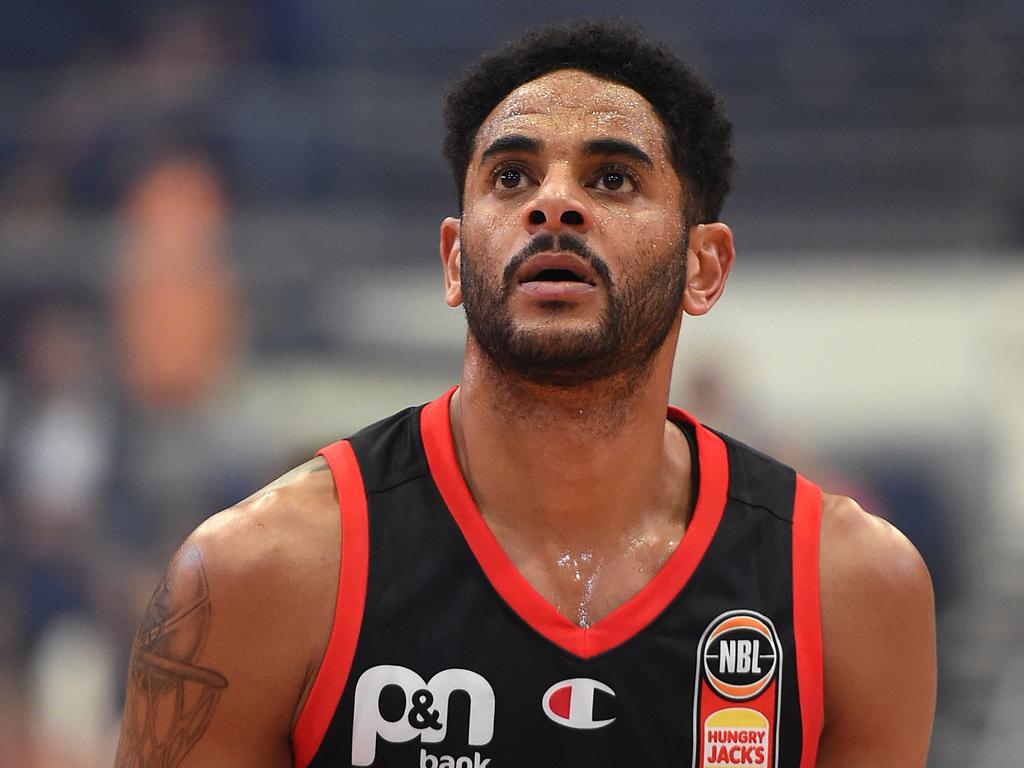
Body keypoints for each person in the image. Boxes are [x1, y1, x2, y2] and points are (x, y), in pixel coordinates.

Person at [114, 19, 936, 768]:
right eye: (511, 176)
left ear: (705, 265)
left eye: (612, 179)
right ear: (453, 258)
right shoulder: (260, 575)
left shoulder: (848, 590)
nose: (554, 202)